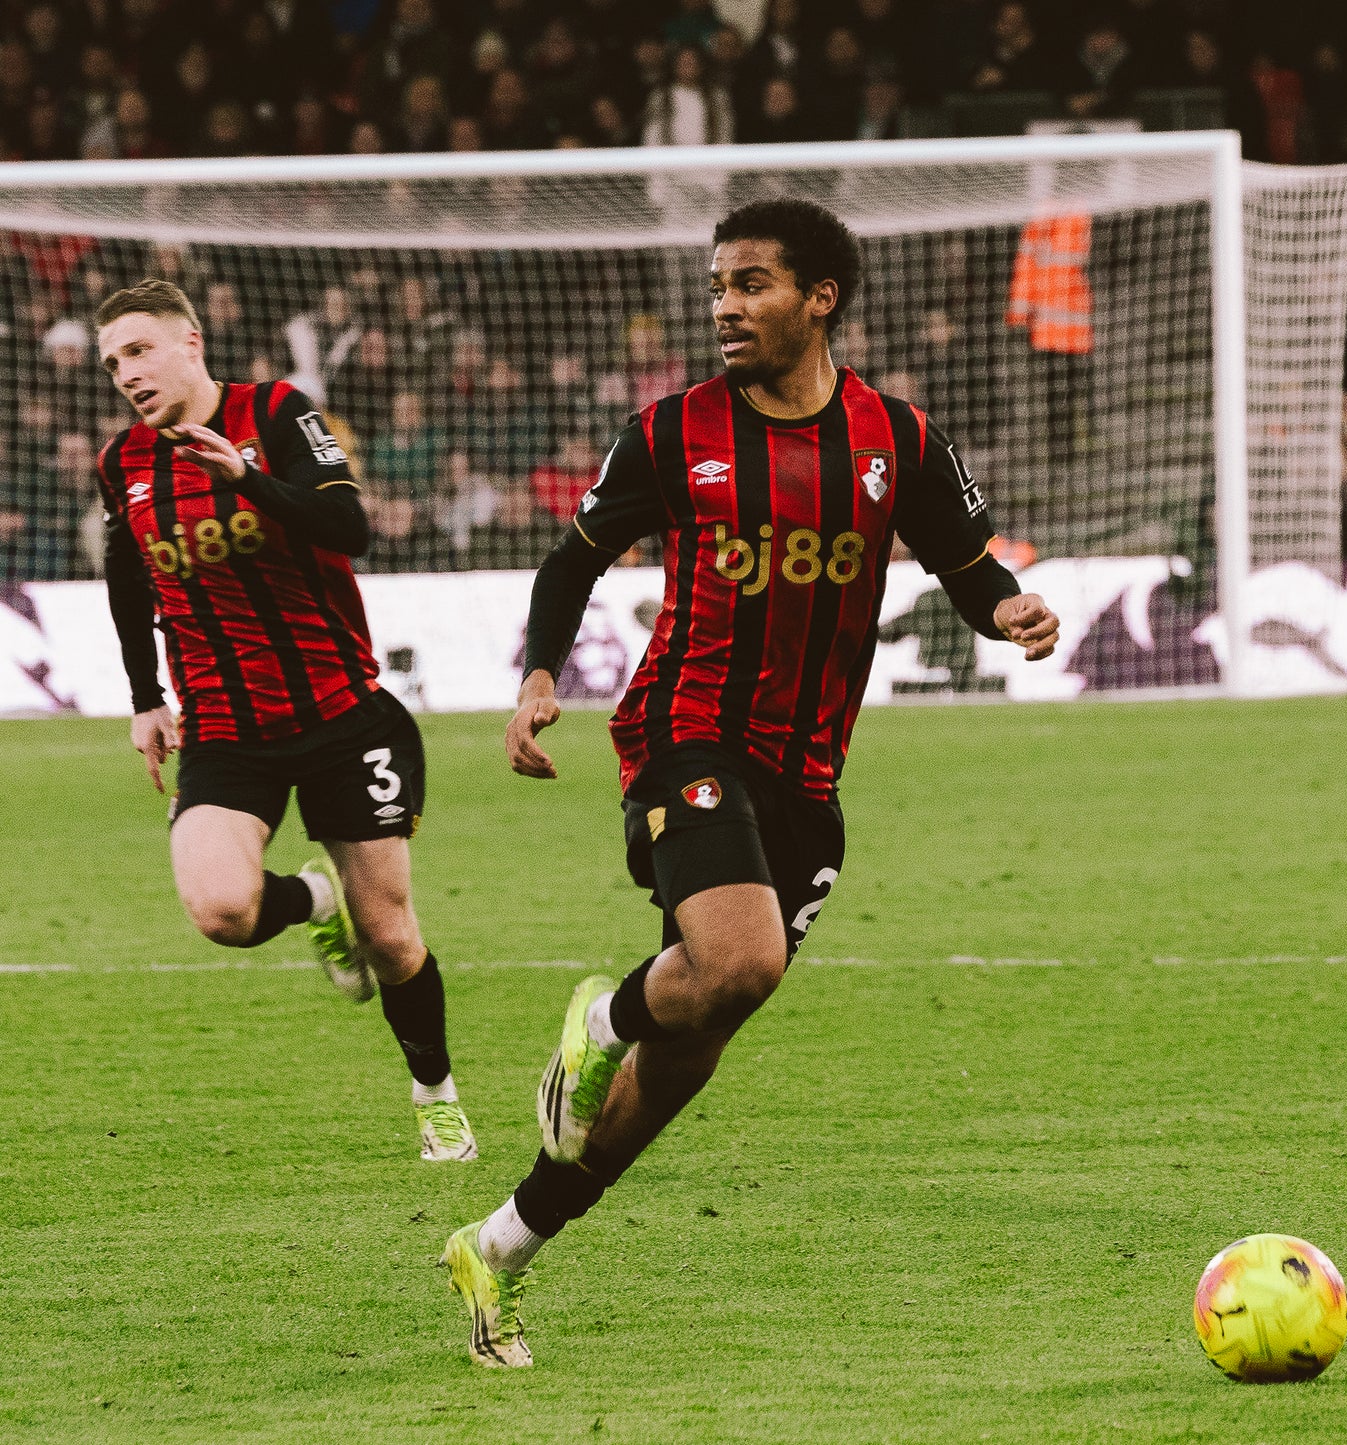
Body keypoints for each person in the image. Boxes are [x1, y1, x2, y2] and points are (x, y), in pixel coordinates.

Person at [439, 199, 1061, 1366]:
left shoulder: (898, 438)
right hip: (687, 734)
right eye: (718, 284)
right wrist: (534, 678)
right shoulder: (672, 431)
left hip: (808, 774)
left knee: (700, 1037)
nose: (724, 305)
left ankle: (504, 1242)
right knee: (739, 959)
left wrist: (1009, 606)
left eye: (752, 284)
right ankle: (605, 1015)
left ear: (819, 296)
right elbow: (572, 560)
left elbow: (965, 563)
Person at [92, 278, 475, 1163]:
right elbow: (125, 571)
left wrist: (247, 476)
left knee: (391, 935)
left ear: (192, 342)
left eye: (140, 350)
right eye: (114, 362)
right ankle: (312, 898)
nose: (127, 374)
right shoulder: (124, 463)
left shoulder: (277, 410)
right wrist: (146, 695)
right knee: (220, 909)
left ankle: (435, 1091)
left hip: (342, 713)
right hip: (226, 730)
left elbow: (350, 525)